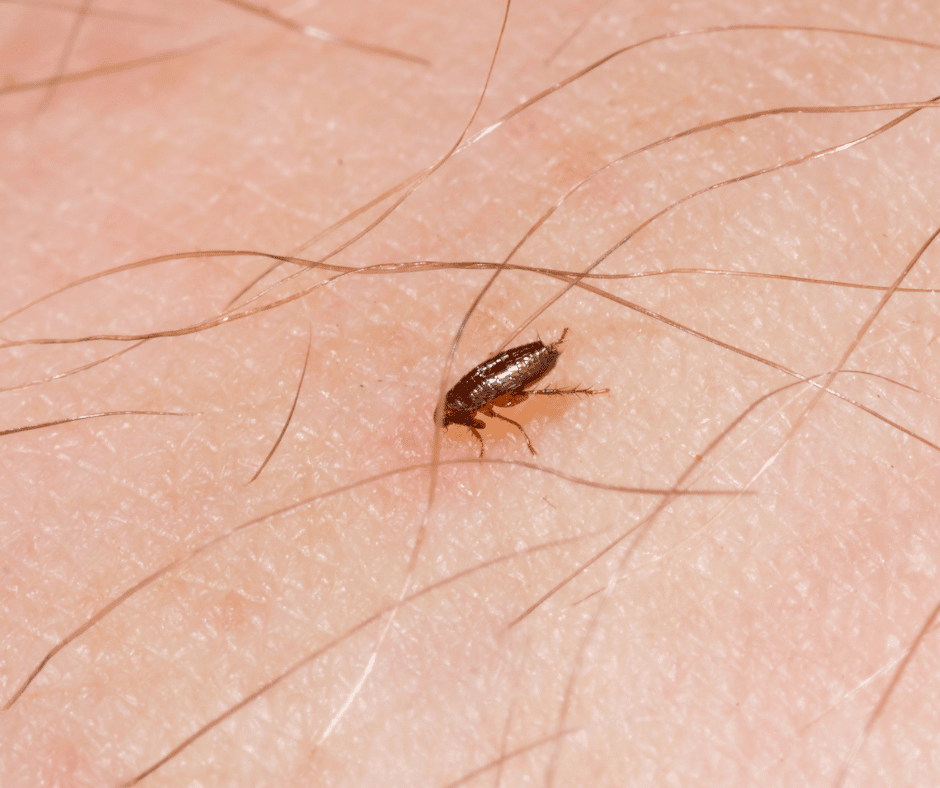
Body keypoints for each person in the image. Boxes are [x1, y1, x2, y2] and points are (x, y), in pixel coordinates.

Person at [3, 1, 939, 785]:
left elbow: (498, 390)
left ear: (458, 410)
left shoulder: (473, 402)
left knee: (535, 400)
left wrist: (507, 411)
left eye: (458, 420)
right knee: (528, 396)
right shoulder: (468, 397)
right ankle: (570, 368)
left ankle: (578, 374)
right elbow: (493, 385)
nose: (462, 424)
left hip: (521, 361)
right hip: (517, 360)